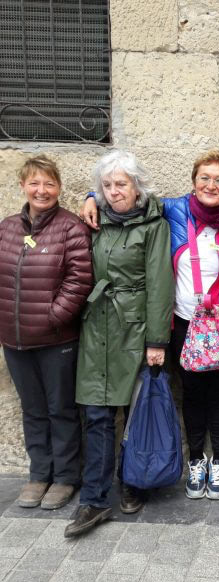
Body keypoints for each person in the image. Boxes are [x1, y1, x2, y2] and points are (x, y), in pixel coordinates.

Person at [81, 149, 219, 501]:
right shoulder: (173, 209)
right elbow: (133, 199)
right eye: (204, 178)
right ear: (193, 182)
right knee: (190, 392)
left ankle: (218, 461)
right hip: (181, 320)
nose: (211, 185)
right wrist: (91, 197)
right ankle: (195, 461)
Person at [65, 150, 174, 537]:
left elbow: (161, 284)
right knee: (96, 415)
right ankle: (94, 500)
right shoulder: (93, 221)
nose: (114, 192)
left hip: (136, 328)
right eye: (107, 186)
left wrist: (157, 340)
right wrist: (89, 199)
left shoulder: (155, 224)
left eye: (121, 184)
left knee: (133, 412)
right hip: (97, 328)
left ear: (137, 186)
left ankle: (133, 482)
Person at [0, 155, 92, 511]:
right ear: (23, 186)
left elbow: (79, 280)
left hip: (57, 339)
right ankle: (39, 473)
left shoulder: (70, 228)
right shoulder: (7, 228)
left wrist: (53, 316)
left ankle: (66, 477)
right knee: (33, 410)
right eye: (35, 183)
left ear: (59, 188)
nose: (42, 190)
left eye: (49, 184)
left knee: (61, 410)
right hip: (15, 338)